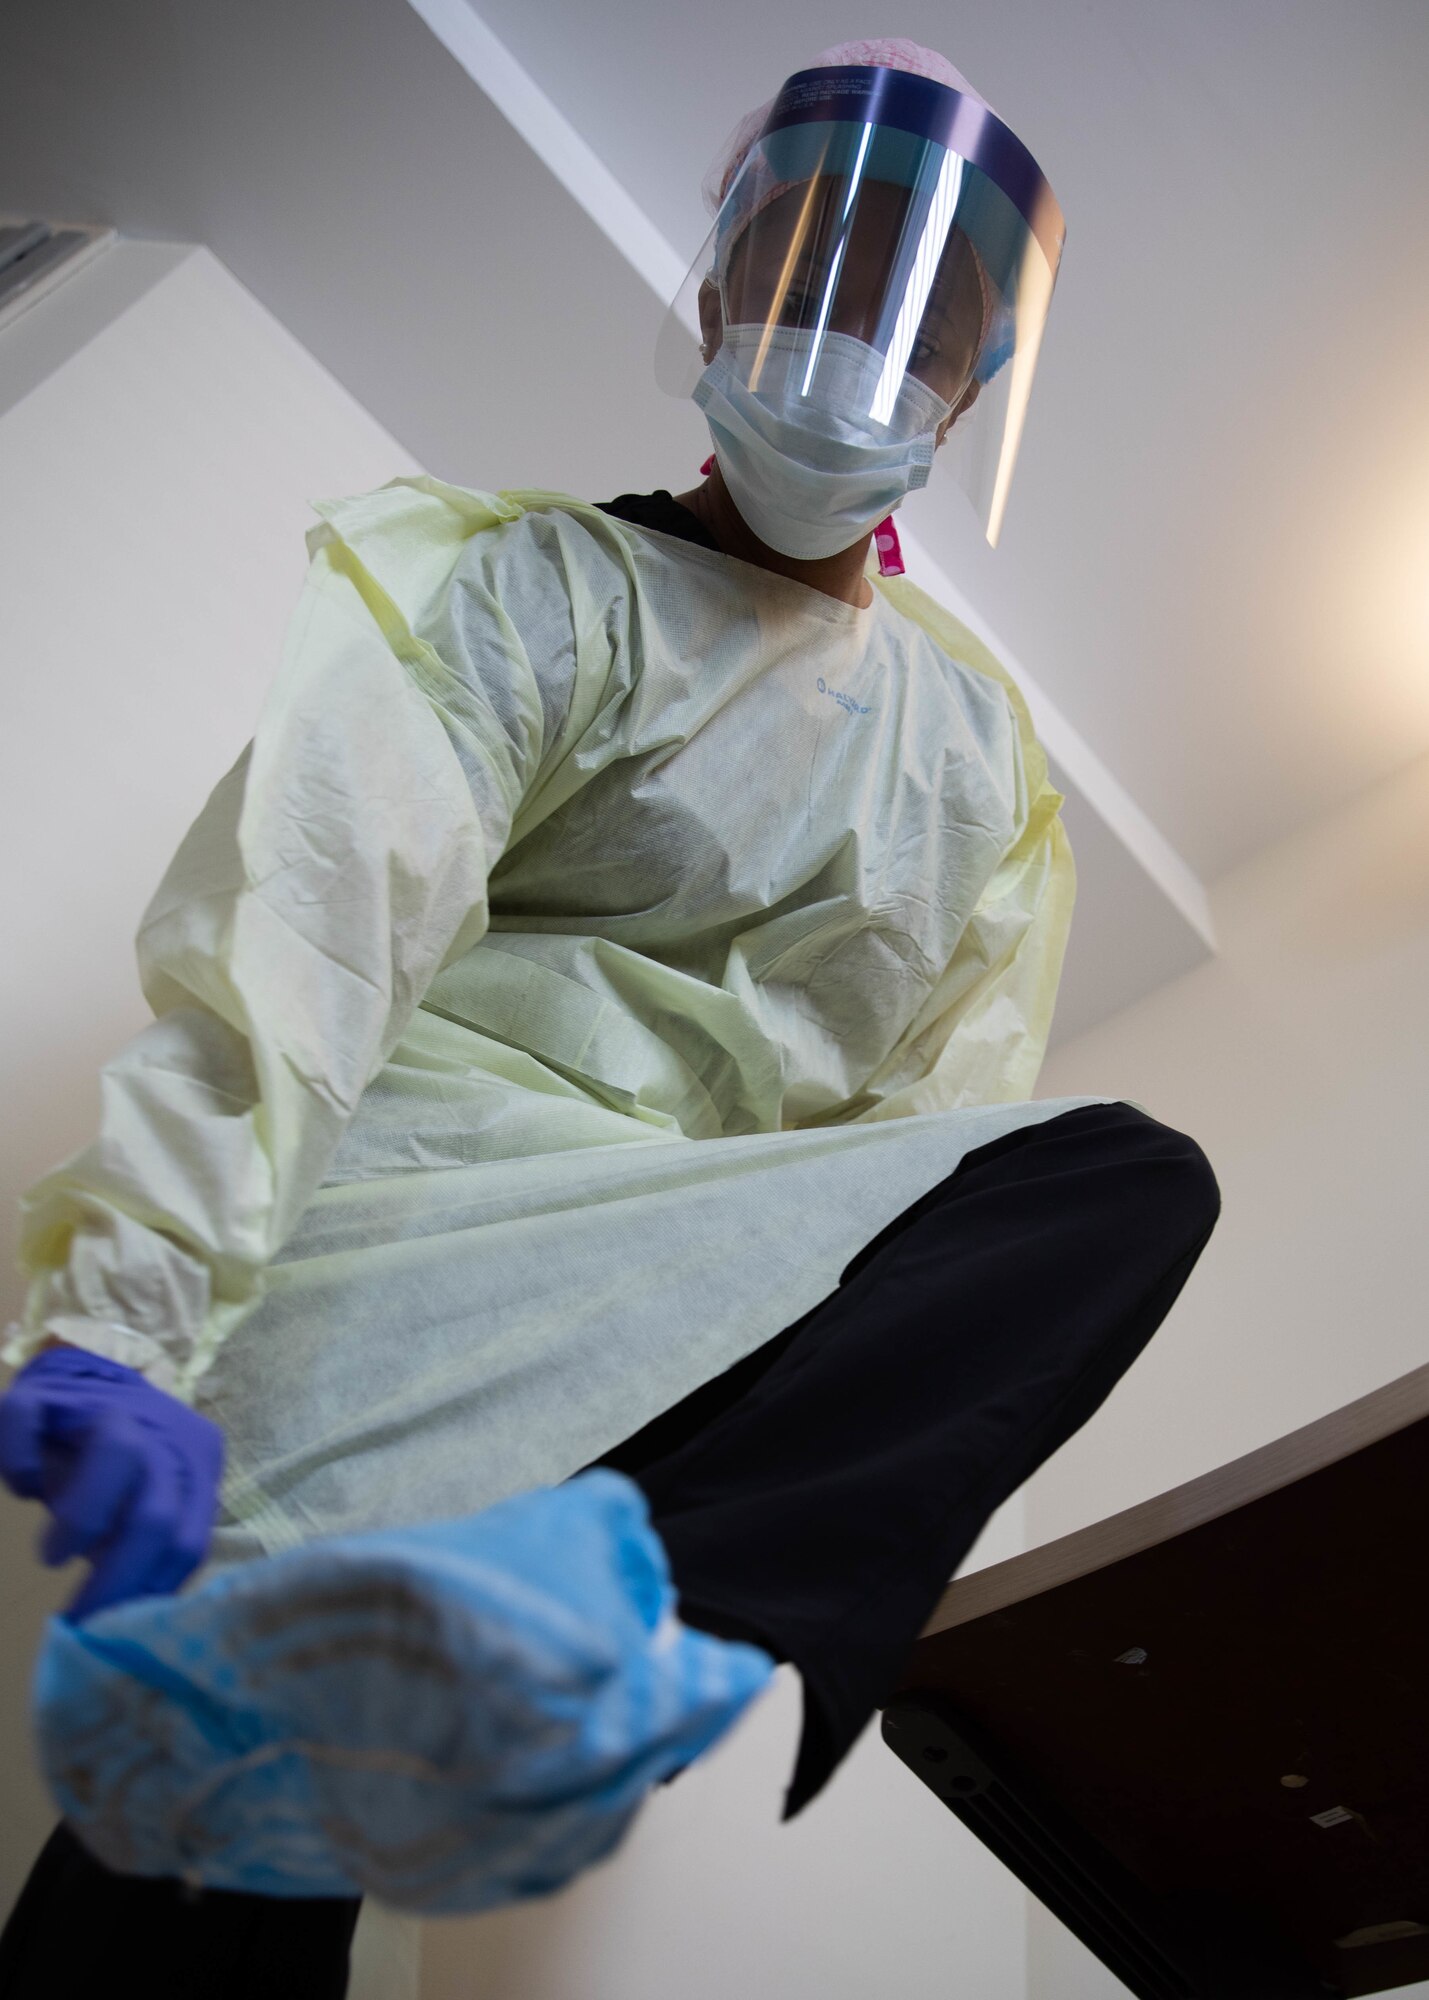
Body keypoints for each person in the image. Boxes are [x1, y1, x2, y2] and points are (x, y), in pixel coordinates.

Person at [0, 36, 1220, 1998]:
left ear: (975, 389)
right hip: (417, 1231)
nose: (849, 343)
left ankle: (605, 1590)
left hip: (666, 1294)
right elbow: (308, 933)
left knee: (1110, 1179)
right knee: (232, 1808)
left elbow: (920, 1153)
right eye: (809, 278)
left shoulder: (969, 755)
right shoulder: (538, 595)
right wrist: (120, 1320)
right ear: (724, 297)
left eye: (919, 319)